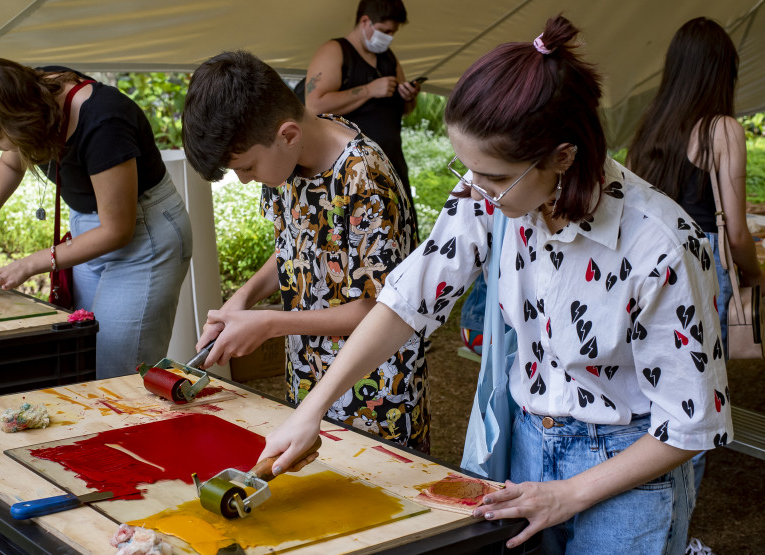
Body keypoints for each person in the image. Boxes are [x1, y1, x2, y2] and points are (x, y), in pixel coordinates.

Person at [261, 15, 732, 554]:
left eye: (492, 177)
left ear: (562, 156)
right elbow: (406, 300)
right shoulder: (492, 194)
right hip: (527, 442)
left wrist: (569, 494)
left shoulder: (663, 244)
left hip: (626, 469)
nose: (477, 193)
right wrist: (311, 410)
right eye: (469, 171)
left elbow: (691, 423)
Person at [182, 50, 429, 452]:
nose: (245, 181)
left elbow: (383, 310)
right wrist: (241, 300)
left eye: (246, 168)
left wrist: (270, 323)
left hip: (376, 388)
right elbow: (293, 245)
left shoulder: (364, 178)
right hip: (307, 370)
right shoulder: (284, 159)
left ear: (288, 135)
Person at [0, 58, 193, 379]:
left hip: (143, 234)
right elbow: (12, 164)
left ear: (16, 121)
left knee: (117, 372)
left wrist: (26, 265)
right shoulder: (32, 97)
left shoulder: (102, 120)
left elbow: (116, 229)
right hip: (91, 226)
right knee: (84, 354)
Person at [627, 18, 762, 555]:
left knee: (650, 401)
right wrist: (755, 275)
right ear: (719, 73)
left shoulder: (652, 126)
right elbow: (733, 229)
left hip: (646, 266)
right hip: (699, 269)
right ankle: (674, 539)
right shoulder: (722, 128)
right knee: (695, 413)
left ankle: (651, 528)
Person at [302, 0, 421, 240]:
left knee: (400, 236)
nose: (389, 38)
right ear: (365, 22)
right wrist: (369, 90)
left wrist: (408, 96)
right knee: (357, 241)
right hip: (350, 172)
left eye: (393, 33)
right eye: (385, 31)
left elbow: (405, 109)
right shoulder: (335, 50)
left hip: (391, 166)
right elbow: (314, 104)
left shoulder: (388, 58)